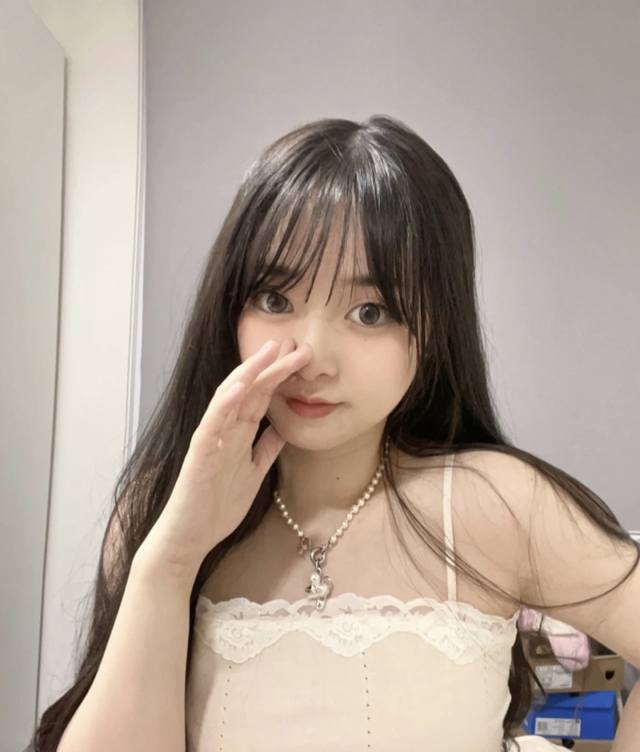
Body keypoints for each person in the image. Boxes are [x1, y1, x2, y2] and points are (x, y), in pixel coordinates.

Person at [31, 115, 640, 752]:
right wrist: (172, 559)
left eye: (369, 312)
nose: (312, 358)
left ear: (434, 328)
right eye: (275, 299)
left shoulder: (494, 503)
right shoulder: (157, 510)